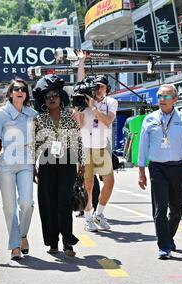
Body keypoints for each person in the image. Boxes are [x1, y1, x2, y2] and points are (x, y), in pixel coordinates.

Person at [138, 84, 182, 260]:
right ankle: (164, 245)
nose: (161, 100)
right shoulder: (149, 119)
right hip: (157, 168)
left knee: (177, 208)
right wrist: (141, 171)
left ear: (175, 99)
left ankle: (168, 236)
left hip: (178, 168)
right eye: (159, 96)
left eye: (165, 96)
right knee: (160, 208)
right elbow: (142, 146)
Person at [0, 79, 38, 260]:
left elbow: (40, 139)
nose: (20, 91)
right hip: (6, 165)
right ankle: (15, 245)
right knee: (9, 207)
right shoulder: (1, 114)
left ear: (26, 93)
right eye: (16, 89)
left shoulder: (33, 114)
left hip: (27, 163)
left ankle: (22, 235)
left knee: (27, 203)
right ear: (10, 93)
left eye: (23, 89)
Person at [33, 74, 84, 257]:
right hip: (46, 164)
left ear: (60, 97)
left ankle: (68, 242)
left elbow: (78, 140)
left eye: (54, 95)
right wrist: (32, 165)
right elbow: (34, 144)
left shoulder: (70, 116)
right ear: (44, 101)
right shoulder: (39, 119)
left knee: (64, 202)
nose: (52, 99)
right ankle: (53, 242)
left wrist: (82, 162)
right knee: (49, 204)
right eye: (48, 97)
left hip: (67, 163)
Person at [73, 52, 118, 232]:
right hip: (86, 146)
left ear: (107, 89)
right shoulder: (85, 102)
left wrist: (94, 107)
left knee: (110, 181)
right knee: (88, 184)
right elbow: (80, 83)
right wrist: (81, 62)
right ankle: (89, 218)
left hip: (102, 146)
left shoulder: (111, 102)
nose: (99, 90)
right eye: (96, 87)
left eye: (102, 87)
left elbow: (107, 121)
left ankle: (100, 213)